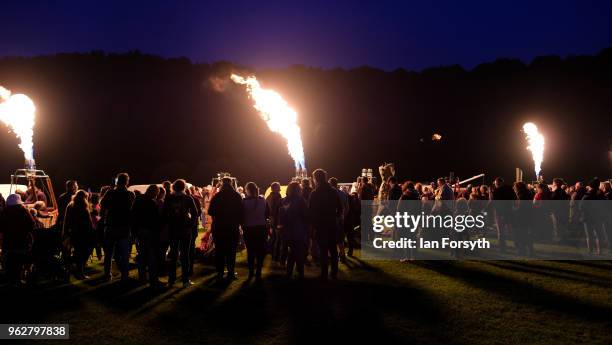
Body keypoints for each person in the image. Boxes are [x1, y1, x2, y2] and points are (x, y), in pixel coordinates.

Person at [162, 179, 199, 288]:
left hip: (173, 229)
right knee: (185, 255)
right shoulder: (187, 198)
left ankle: (171, 280)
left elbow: (164, 213)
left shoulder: (169, 198)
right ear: (184, 187)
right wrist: (190, 225)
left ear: (173, 187)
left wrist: (169, 222)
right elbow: (195, 213)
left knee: (173, 255)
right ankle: (185, 280)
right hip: (185, 230)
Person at [308, 169, 342, 281]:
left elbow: (311, 212)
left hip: (321, 225)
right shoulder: (333, 191)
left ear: (315, 179)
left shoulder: (315, 193)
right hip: (332, 224)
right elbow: (340, 209)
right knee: (333, 249)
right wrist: (335, 217)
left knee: (323, 251)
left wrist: (312, 227)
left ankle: (324, 273)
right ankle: (334, 273)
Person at [101, 173, 135, 281]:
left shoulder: (110, 192)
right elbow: (132, 210)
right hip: (124, 226)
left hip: (111, 225)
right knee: (124, 254)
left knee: (108, 254)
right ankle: (125, 275)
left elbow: (103, 204)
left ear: (117, 181)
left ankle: (107, 274)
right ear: (127, 182)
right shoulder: (130, 194)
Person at [208, 177, 243, 282]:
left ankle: (220, 272)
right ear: (231, 183)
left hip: (219, 227)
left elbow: (210, 211)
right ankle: (230, 272)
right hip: (232, 227)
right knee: (231, 251)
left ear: (222, 184)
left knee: (220, 251)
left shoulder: (218, 196)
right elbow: (241, 212)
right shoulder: (236, 196)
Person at [131, 184, 163, 287]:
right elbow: (156, 219)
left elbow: (133, 215)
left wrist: (134, 231)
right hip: (149, 231)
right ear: (154, 192)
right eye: (156, 193)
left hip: (140, 230)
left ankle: (142, 278)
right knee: (151, 256)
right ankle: (153, 279)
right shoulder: (152, 203)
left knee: (142, 255)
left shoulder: (138, 199)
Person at [0, 194, 35, 286]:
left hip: (8, 242)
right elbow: (32, 224)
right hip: (21, 241)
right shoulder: (23, 211)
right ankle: (20, 279)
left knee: (9, 262)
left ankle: (10, 280)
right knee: (20, 261)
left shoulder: (4, 212)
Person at [279, 182, 309, 279]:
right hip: (298, 229)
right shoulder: (301, 200)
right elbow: (306, 215)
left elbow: (280, 216)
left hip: (287, 230)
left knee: (292, 251)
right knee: (298, 251)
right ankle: (300, 272)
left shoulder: (284, 201)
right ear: (298, 190)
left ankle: (289, 272)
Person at [63, 190, 95, 279]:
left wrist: (65, 232)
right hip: (82, 233)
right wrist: (91, 231)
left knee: (79, 252)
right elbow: (88, 222)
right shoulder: (83, 207)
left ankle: (75, 268)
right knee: (83, 253)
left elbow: (66, 220)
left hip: (73, 232)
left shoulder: (70, 205)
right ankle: (79, 272)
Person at [242, 182, 269, 279]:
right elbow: (267, 214)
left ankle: (251, 271)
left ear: (247, 190)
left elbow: (242, 215)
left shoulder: (244, 201)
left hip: (249, 228)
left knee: (251, 251)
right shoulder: (263, 200)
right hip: (261, 228)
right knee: (260, 251)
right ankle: (258, 271)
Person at [490, 177, 516, 253]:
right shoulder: (510, 189)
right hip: (509, 212)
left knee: (501, 232)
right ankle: (518, 246)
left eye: (495, 183)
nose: (495, 185)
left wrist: (491, 193)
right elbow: (515, 198)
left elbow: (492, 201)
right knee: (512, 230)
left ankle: (502, 248)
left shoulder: (496, 191)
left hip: (500, 213)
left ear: (497, 183)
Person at [397, 181, 420, 262]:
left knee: (406, 238)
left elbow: (399, 209)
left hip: (406, 219)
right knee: (413, 237)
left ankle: (407, 256)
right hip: (415, 219)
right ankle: (413, 256)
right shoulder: (417, 196)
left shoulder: (404, 196)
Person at [329, 177, 349, 262]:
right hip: (340, 219)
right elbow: (347, 207)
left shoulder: (329, 194)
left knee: (332, 239)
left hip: (332, 220)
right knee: (340, 239)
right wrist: (343, 216)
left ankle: (334, 256)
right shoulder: (343, 194)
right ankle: (342, 254)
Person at [266, 182, 284, 265]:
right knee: (278, 239)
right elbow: (277, 209)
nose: (280, 188)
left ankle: (272, 253)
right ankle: (276, 256)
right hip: (277, 220)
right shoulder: (276, 196)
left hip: (272, 219)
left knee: (274, 238)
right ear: (275, 188)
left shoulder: (269, 197)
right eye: (278, 187)